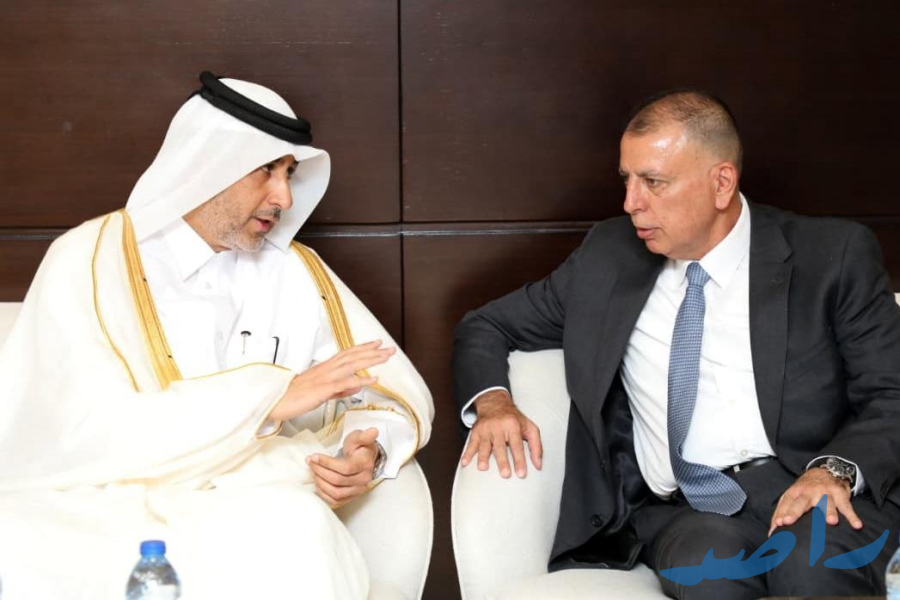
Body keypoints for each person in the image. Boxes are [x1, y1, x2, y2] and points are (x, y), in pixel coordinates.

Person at [0, 72, 433, 599]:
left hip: (245, 506)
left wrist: (368, 450)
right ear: (209, 163)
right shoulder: (88, 259)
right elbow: (69, 432)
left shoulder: (294, 273)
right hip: (109, 510)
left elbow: (384, 391)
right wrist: (269, 399)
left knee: (300, 528)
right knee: (14, 541)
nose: (284, 198)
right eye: (267, 171)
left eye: (290, 174)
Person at [453, 89, 900, 598]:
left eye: (653, 182)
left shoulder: (830, 256)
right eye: (627, 180)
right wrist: (494, 403)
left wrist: (833, 471)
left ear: (721, 183)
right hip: (689, 510)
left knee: (810, 559)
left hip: (814, 485)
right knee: (710, 571)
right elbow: (485, 325)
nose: (631, 203)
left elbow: (892, 392)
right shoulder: (608, 259)